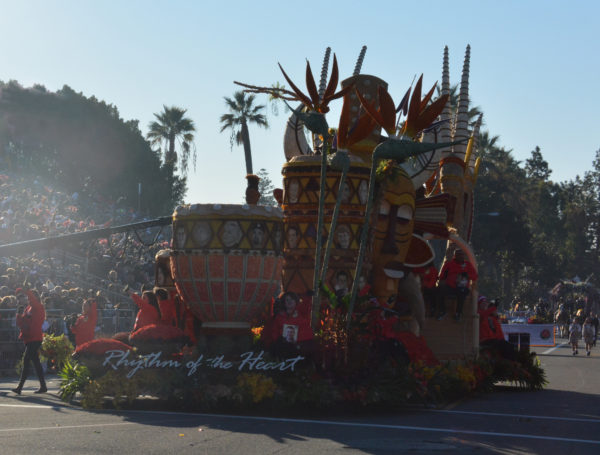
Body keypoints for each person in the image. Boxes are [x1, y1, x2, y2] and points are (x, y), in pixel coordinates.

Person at [12, 288, 47, 394]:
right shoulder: (28, 308)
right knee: (36, 363)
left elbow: (33, 301)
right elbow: (21, 323)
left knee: (26, 361)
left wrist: (27, 290)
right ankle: (43, 386)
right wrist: (18, 315)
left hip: (35, 337)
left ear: (35, 298)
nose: (28, 299)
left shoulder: (38, 307)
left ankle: (20, 387)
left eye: (29, 297)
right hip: (29, 338)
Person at [435, 250, 478, 321]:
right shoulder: (449, 264)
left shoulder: (468, 265)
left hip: (462, 287)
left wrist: (467, 275)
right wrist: (444, 276)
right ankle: (442, 311)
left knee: (462, 293)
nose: (461, 256)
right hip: (450, 287)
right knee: (439, 290)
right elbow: (442, 276)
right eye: (458, 255)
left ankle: (458, 313)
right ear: (455, 256)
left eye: (462, 255)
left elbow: (475, 276)